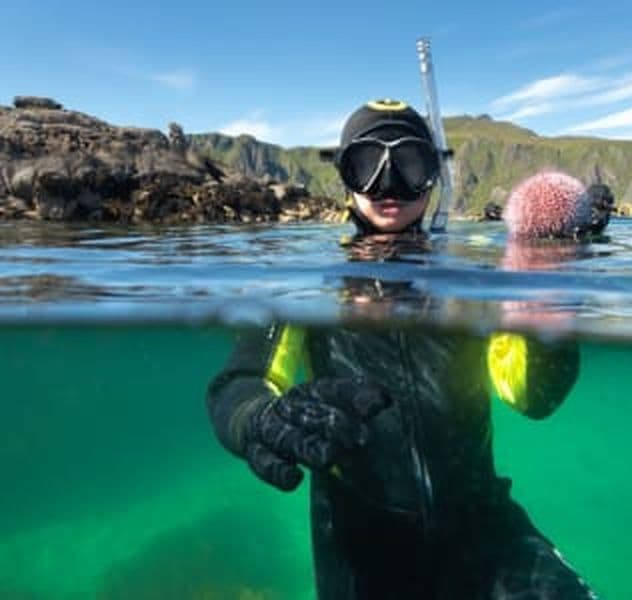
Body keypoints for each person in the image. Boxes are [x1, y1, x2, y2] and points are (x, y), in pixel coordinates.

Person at [207, 99, 597, 599]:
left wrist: (550, 316)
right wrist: (257, 418)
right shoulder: (306, 286)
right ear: (346, 176)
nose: (389, 185)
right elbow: (237, 384)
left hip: (485, 527)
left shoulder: (473, 278)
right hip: (362, 551)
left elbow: (531, 396)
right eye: (369, 165)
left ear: (432, 176)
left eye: (408, 164)